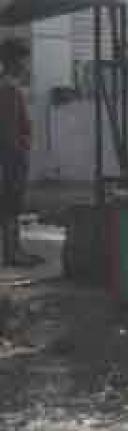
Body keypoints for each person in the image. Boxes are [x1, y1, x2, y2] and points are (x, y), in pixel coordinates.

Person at [0, 39, 32, 267]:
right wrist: (16, 157)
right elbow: (10, 130)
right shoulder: (8, 90)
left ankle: (15, 251)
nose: (26, 65)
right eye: (23, 60)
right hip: (12, 156)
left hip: (12, 155)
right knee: (12, 206)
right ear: (13, 62)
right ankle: (13, 253)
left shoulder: (10, 88)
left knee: (11, 206)